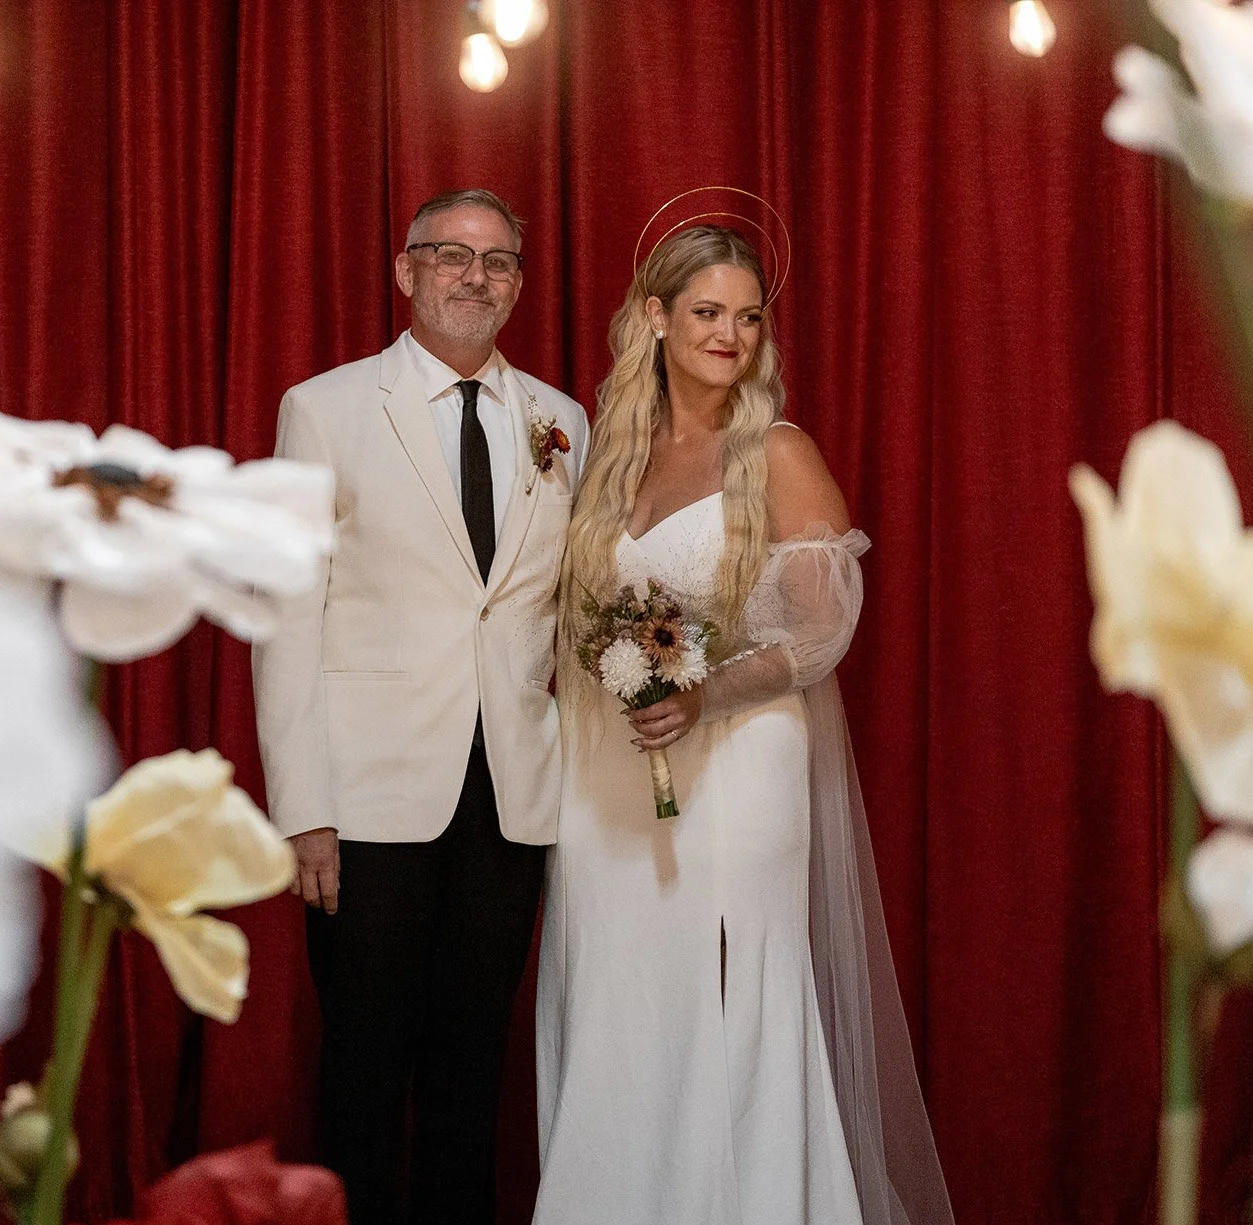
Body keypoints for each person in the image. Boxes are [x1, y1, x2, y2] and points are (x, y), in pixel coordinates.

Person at [533, 224, 954, 1225]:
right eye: (708, 312)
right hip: (607, 774)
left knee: (733, 998)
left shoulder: (776, 451)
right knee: (612, 993)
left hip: (741, 763)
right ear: (656, 318)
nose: (730, 334)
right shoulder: (607, 460)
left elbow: (822, 625)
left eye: (748, 317)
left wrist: (702, 692)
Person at [253, 188, 587, 1225]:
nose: (474, 276)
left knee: (469, 1073)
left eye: (498, 262)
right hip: (366, 799)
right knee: (361, 1067)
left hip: (513, 798)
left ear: (519, 283)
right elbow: (286, 613)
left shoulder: (562, 422)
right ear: (406, 272)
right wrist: (302, 803)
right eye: (451, 255)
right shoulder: (326, 407)